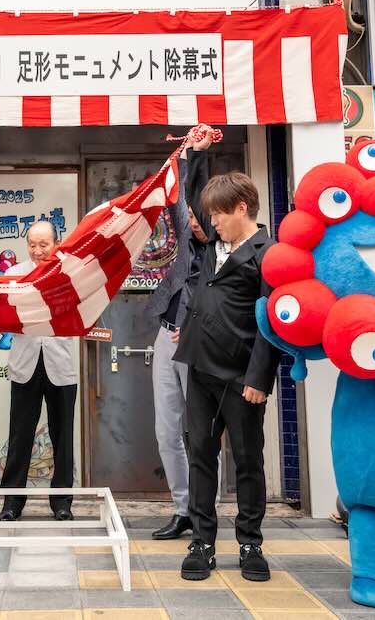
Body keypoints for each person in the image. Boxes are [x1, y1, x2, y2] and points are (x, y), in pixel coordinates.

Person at [175, 130, 280, 582]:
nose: (210, 220)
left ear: (242, 209)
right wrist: (196, 154)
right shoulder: (210, 242)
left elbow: (273, 321)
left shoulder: (270, 253)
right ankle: (202, 541)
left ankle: (250, 542)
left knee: (247, 458)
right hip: (200, 369)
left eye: (219, 213)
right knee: (199, 452)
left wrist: (259, 377)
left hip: (242, 376)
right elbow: (196, 201)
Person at [144, 152, 210, 541]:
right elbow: (179, 203)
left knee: (200, 433)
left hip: (197, 340)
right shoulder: (186, 241)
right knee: (166, 431)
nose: (199, 224)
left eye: (208, 218)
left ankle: (205, 512)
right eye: (195, 219)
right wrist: (189, 156)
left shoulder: (223, 255)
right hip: (165, 336)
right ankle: (182, 508)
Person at [0, 221, 78, 522]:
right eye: (32, 244)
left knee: (63, 437)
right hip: (25, 364)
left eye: (44, 244)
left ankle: (62, 502)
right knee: (20, 436)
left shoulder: (70, 273)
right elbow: (5, 316)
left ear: (56, 243)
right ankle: (11, 503)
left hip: (61, 365)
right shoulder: (12, 275)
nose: (37, 250)